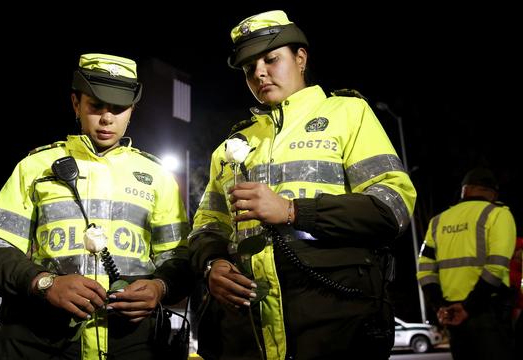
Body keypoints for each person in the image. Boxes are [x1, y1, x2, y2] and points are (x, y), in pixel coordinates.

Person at [189, 10, 416, 360]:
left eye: (270, 59)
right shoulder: (231, 146)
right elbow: (206, 227)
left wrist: (293, 211)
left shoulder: (348, 113)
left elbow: (393, 206)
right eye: (249, 68)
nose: (259, 73)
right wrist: (212, 266)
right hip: (247, 331)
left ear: (300, 57)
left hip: (335, 323)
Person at [0, 53, 193, 359]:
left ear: (132, 110)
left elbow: (181, 258)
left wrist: (159, 288)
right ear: (76, 103)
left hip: (131, 344)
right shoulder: (35, 166)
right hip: (41, 341)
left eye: (118, 108)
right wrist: (45, 283)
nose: (106, 118)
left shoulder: (158, 177)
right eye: (96, 105)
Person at [417, 167, 516, 360]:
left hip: (451, 315)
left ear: (464, 191)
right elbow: (496, 266)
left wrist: (439, 306)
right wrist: (469, 307)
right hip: (487, 312)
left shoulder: (437, 221)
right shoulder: (498, 214)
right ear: (493, 193)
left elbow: (424, 270)